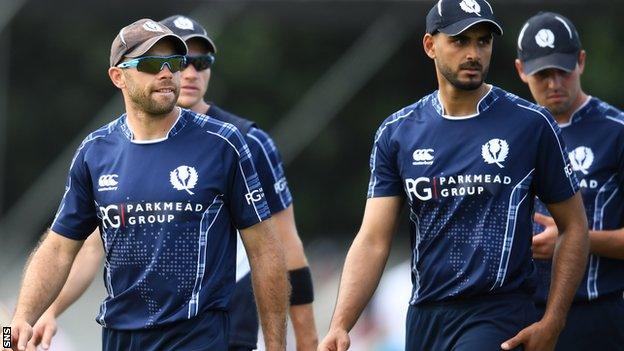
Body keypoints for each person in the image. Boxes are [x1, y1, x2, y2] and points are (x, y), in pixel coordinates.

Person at [26, 14, 318, 351]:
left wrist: (304, 341)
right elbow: (84, 246)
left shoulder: (240, 142)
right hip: (124, 335)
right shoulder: (100, 151)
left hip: (224, 330)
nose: (184, 72)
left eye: (194, 62)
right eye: (155, 63)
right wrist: (47, 311)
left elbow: (280, 247)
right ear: (119, 77)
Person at [318, 1, 589, 350]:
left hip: (498, 313)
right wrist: (341, 324)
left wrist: (553, 321)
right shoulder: (398, 132)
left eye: (483, 41)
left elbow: (574, 226)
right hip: (424, 316)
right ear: (431, 46)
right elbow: (373, 239)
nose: (474, 53)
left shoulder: (531, 125)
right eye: (460, 41)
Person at [515, 11, 624, 350]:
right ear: (521, 70)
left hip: (597, 314)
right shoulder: (511, 135)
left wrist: (575, 240)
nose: (554, 84)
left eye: (563, 70)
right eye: (542, 74)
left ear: (581, 62)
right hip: (519, 314)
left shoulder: (616, 132)